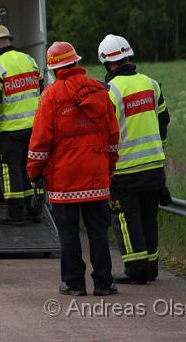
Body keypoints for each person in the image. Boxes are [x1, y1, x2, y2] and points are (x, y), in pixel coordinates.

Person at [27, 41, 120, 296]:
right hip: (96, 175)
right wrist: (109, 166)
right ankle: (103, 283)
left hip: (63, 179)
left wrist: (34, 171)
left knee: (68, 233)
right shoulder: (100, 91)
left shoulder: (50, 96)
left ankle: (74, 283)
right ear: (76, 63)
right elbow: (113, 135)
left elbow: (40, 140)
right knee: (98, 232)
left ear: (55, 69)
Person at [98, 34, 170, 284]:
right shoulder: (152, 84)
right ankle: (151, 266)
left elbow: (104, 132)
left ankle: (136, 269)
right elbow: (163, 123)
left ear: (107, 63)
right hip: (154, 167)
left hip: (125, 169)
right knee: (149, 218)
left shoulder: (110, 91)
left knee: (127, 220)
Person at [0, 24, 44, 226]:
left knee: (11, 171)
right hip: (35, 127)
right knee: (31, 169)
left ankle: (15, 213)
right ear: (9, 41)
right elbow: (40, 90)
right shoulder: (30, 60)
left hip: (10, 130)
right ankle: (34, 210)